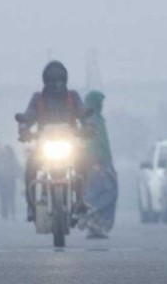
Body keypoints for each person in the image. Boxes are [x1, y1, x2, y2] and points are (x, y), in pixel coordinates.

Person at [17, 61, 89, 222]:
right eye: (51, 81)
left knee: (83, 163)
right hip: (44, 146)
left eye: (59, 81)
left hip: (70, 145)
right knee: (30, 168)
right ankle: (31, 205)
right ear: (45, 81)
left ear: (65, 80)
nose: (56, 85)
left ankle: (80, 199)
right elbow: (28, 115)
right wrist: (24, 128)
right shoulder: (38, 99)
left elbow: (83, 113)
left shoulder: (73, 97)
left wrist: (88, 126)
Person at [81, 91, 118, 239]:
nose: (102, 105)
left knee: (99, 193)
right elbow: (92, 143)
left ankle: (95, 225)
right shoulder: (92, 120)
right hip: (97, 163)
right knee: (105, 193)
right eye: (100, 102)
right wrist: (95, 162)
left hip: (103, 162)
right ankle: (91, 219)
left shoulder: (96, 119)